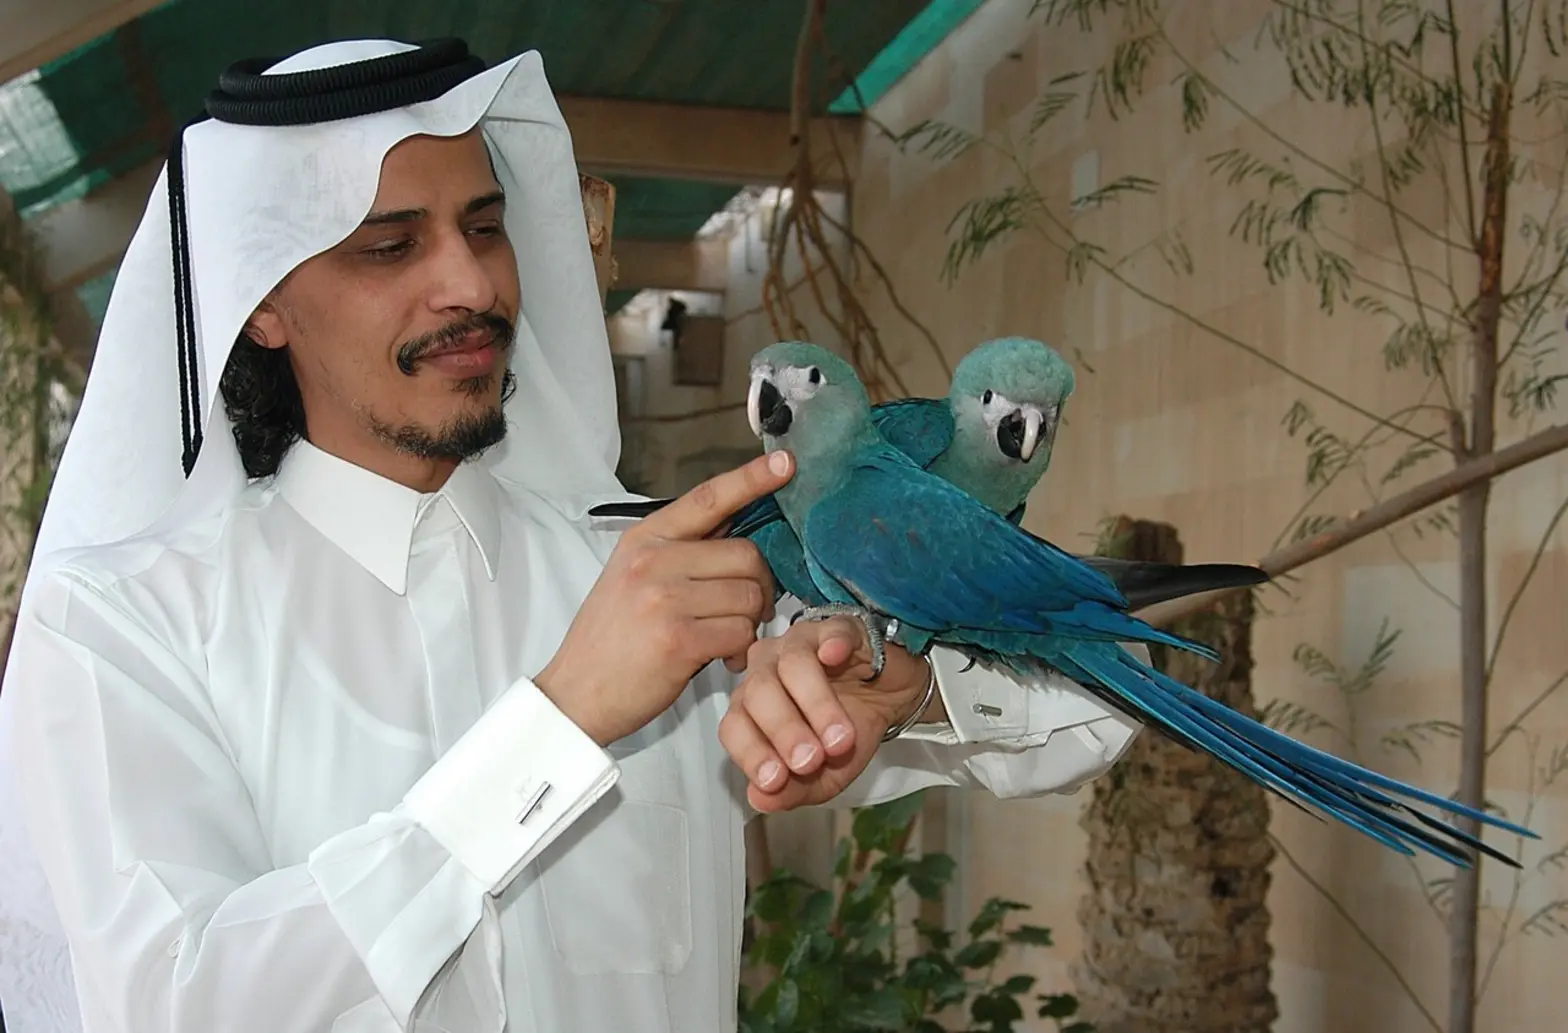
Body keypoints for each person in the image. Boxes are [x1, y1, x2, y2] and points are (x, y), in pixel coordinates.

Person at [0, 39, 1141, 1033]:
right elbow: (174, 1001)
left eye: (484, 228)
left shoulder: (671, 573)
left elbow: (1098, 712)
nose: (470, 283)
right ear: (264, 299)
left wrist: (906, 690)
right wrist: (557, 723)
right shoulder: (125, 625)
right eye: (390, 246)